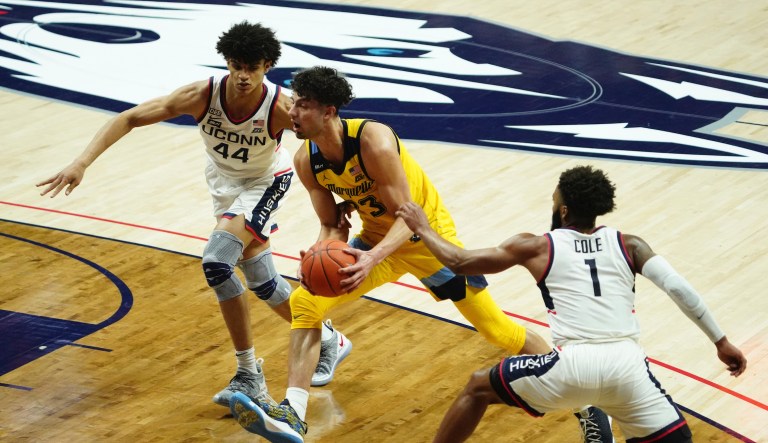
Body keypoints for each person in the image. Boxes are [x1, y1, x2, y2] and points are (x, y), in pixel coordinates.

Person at [227, 65, 577, 443]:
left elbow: (410, 217)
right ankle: (293, 412)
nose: (292, 113)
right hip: (375, 243)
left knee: (498, 331)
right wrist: (323, 249)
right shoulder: (305, 161)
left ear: (329, 111)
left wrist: (371, 258)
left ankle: (577, 390)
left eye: (304, 106)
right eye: (293, 104)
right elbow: (331, 224)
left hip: (429, 243)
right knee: (305, 304)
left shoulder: (373, 140)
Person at [36, 22, 350, 408]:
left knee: (217, 263)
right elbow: (130, 117)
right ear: (227, 62)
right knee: (262, 283)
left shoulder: (282, 107)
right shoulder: (201, 95)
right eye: (236, 65)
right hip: (223, 185)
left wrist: (347, 193)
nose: (243, 75)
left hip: (266, 182)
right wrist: (81, 163)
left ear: (267, 65)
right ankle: (329, 338)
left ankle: (248, 374)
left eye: (252, 67)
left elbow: (328, 139)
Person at [396, 165, 747, 443]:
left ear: (563, 209)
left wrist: (423, 228)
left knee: (477, 387)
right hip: (628, 367)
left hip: (572, 366)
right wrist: (720, 341)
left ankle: (593, 415)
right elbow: (679, 288)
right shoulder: (631, 245)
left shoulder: (536, 246)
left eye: (553, 201)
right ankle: (599, 418)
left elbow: (459, 262)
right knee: (676, 438)